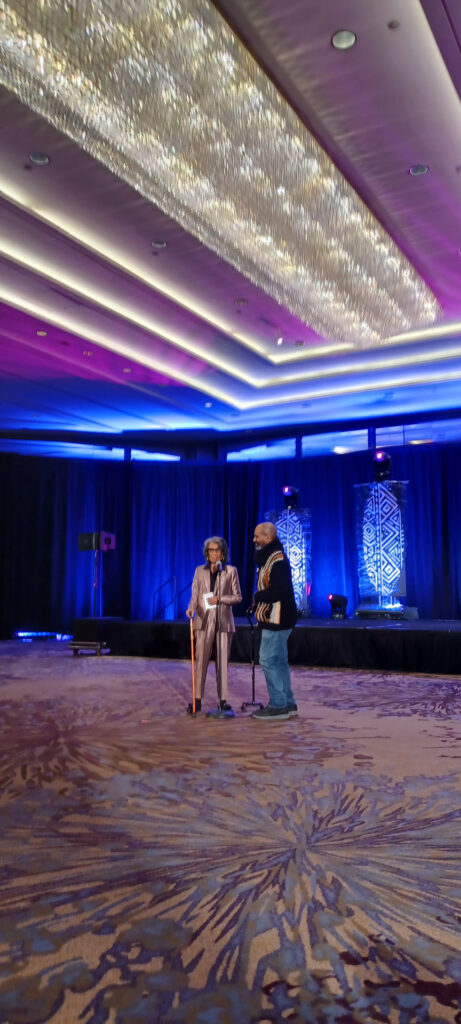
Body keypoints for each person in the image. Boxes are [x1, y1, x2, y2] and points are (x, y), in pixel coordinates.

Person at [186, 536, 242, 713]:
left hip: (223, 620)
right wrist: (190, 609)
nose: (213, 553)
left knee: (222, 662)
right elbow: (195, 595)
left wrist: (221, 599)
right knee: (201, 660)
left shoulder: (230, 571)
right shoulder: (199, 571)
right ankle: (197, 700)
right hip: (203, 620)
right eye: (210, 550)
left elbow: (238, 597)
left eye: (217, 550)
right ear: (206, 553)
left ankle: (222, 700)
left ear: (223, 553)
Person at [250, 522, 298, 721]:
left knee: (268, 660)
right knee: (279, 661)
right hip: (278, 619)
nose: (254, 540)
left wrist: (258, 596)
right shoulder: (271, 557)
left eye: (257, 536)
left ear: (267, 538)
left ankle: (278, 705)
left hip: (277, 620)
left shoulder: (276, 559)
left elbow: (280, 590)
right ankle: (288, 703)